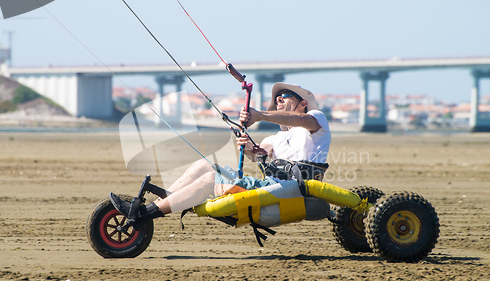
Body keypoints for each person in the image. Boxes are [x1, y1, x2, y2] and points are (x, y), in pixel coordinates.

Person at [109, 82, 331, 222]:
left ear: (303, 103)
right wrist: (249, 149)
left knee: (209, 179)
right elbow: (259, 157)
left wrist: (260, 115)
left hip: (293, 192)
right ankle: (169, 199)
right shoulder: (275, 138)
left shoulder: (316, 119)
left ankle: (145, 214)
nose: (279, 99)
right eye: (277, 97)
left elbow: (301, 120)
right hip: (272, 189)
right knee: (205, 165)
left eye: (286, 95)